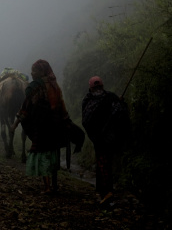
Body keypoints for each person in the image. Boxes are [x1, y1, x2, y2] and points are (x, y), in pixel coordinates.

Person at [11, 59, 71, 194]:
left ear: (41, 72)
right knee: (53, 153)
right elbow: (61, 105)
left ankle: (47, 187)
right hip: (55, 125)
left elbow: (26, 106)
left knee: (43, 154)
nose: (31, 73)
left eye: (34, 71)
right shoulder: (55, 86)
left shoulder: (34, 87)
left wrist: (15, 124)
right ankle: (54, 185)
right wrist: (66, 121)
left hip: (42, 126)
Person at [82, 76, 130, 206]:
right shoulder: (110, 97)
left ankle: (107, 192)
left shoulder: (90, 100)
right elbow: (122, 114)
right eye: (96, 87)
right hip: (107, 138)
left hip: (103, 139)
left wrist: (119, 103)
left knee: (103, 163)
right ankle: (104, 191)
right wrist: (119, 103)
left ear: (90, 88)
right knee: (105, 163)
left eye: (98, 87)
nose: (97, 89)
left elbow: (86, 121)